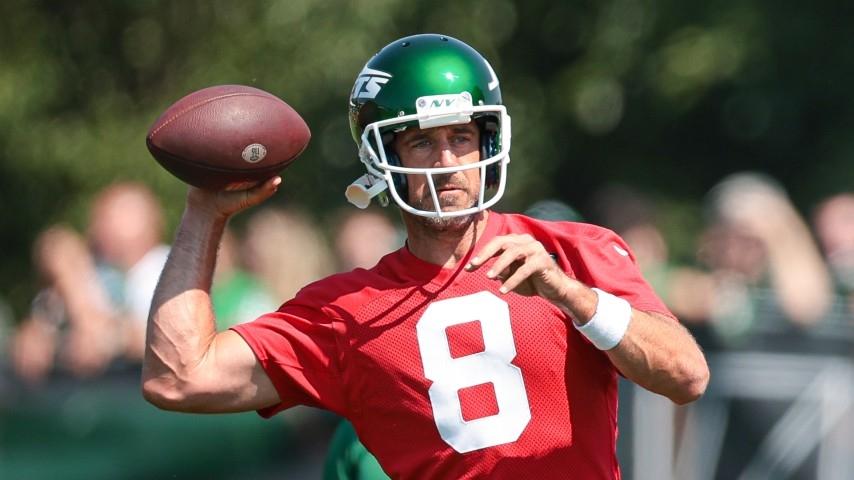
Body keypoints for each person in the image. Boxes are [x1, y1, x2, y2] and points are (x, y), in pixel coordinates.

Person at [142, 34, 709, 479]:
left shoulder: (572, 252)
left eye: (461, 137)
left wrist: (573, 296)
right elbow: (178, 378)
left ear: (488, 143)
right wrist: (202, 214)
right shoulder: (346, 309)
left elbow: (686, 374)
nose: (445, 161)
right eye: (420, 141)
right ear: (381, 156)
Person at [13, 182, 169, 383]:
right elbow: (37, 330)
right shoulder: (94, 271)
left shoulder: (168, 266)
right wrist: (40, 337)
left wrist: (106, 338)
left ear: (147, 222)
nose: (98, 226)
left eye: (112, 216)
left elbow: (163, 337)